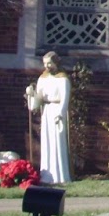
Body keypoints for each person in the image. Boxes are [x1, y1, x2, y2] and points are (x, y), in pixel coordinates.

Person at [25, 51, 71, 184]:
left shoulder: (63, 79)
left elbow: (65, 99)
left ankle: (60, 176)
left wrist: (60, 113)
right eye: (45, 63)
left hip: (56, 112)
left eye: (49, 63)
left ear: (56, 63)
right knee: (46, 142)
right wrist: (31, 94)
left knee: (57, 142)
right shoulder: (42, 79)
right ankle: (46, 175)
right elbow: (37, 101)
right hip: (46, 112)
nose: (47, 66)